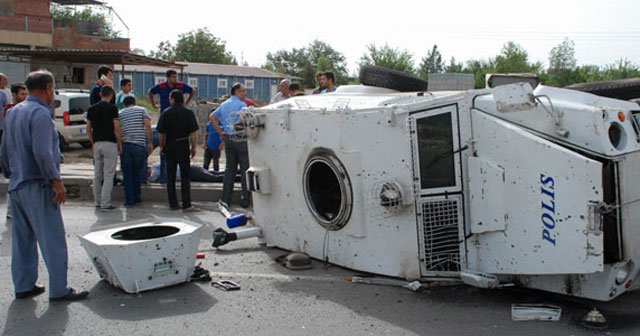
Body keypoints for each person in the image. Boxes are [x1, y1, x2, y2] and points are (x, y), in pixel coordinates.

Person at [0, 69, 88, 301]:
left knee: (23, 241)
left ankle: (24, 285)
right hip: (37, 185)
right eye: (53, 90)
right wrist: (56, 181)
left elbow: (4, 152)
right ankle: (59, 289)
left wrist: (12, 174)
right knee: (53, 239)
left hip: (16, 186)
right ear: (48, 88)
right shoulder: (40, 114)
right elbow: (42, 152)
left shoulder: (12, 113)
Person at [148, 69, 195, 184]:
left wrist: (187, 102)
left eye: (176, 77)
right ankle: (165, 177)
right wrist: (153, 104)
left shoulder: (180, 86)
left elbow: (192, 91)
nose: (175, 79)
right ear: (168, 78)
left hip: (178, 117)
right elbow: (150, 91)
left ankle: (173, 179)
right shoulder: (161, 86)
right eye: (173, 77)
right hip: (166, 116)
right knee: (166, 150)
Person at [156, 89, 200, 212]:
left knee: (171, 175)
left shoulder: (166, 112)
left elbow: (161, 133)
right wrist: (194, 147)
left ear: (173, 99)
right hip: (183, 144)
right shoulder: (188, 113)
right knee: (185, 175)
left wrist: (161, 147)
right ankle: (186, 204)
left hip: (169, 146)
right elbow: (192, 133)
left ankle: (173, 203)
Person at [210, 83, 250, 209]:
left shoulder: (224, 104)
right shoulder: (242, 105)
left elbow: (212, 117)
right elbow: (245, 121)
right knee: (245, 169)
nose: (245, 93)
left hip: (228, 138)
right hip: (241, 138)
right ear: (237, 91)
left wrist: (220, 132)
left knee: (229, 169)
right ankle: (245, 199)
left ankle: (225, 199)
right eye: (243, 91)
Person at [86, 85, 121, 211]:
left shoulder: (91, 109)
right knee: (108, 174)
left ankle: (97, 202)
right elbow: (116, 127)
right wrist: (119, 143)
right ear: (111, 95)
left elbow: (88, 128)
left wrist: (92, 141)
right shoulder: (112, 109)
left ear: (100, 94)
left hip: (97, 143)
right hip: (110, 143)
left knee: (97, 175)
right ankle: (106, 203)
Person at [118, 96, 153, 206]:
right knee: (137, 173)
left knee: (127, 174)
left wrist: (119, 144)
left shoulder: (120, 113)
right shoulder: (142, 110)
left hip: (125, 146)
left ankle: (129, 200)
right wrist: (150, 142)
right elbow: (147, 126)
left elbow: (118, 129)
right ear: (134, 103)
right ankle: (137, 198)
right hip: (139, 145)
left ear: (124, 104)